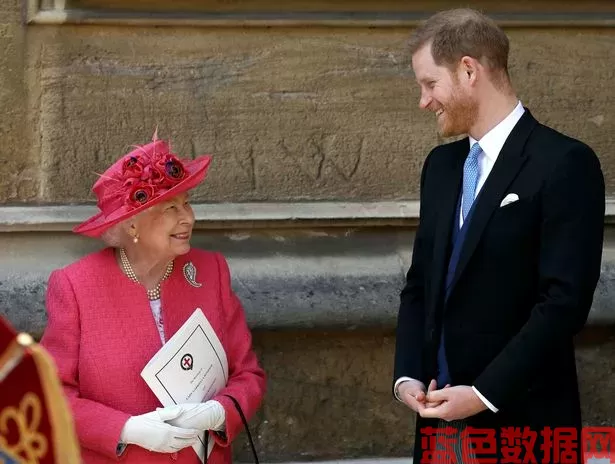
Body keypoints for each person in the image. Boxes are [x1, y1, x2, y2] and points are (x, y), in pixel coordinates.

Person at [392, 8, 604, 464]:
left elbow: (563, 304)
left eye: (430, 84)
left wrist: (483, 394)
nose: (424, 101)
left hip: (524, 428)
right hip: (438, 436)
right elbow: (421, 285)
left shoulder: (565, 163)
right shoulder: (441, 169)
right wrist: (407, 376)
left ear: (469, 70)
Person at [40, 132, 266, 463]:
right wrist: (127, 429)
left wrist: (218, 413)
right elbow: (51, 395)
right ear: (131, 225)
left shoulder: (211, 271)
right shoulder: (75, 287)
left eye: (187, 203)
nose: (187, 217)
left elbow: (248, 376)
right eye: (169, 208)